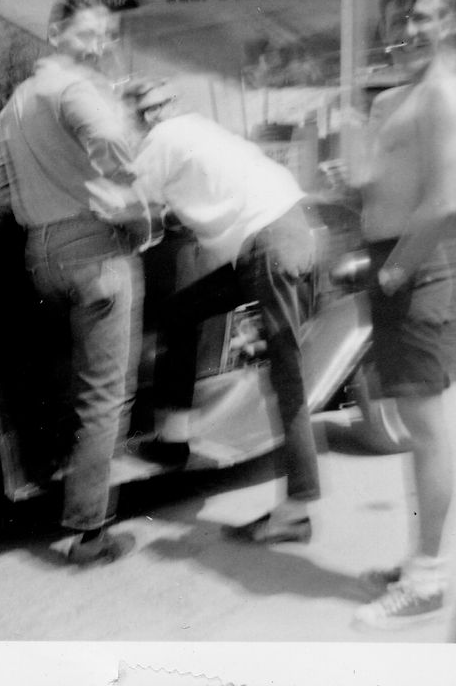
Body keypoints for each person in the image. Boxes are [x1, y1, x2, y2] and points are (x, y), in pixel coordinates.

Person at [0, 0, 145, 566]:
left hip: (39, 257)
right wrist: (128, 189)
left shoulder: (17, 103)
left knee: (69, 381)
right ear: (55, 32)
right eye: (87, 34)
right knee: (105, 393)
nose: (97, 46)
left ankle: (53, 477)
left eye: (103, 36)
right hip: (96, 254)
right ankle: (90, 531)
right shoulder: (76, 88)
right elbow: (120, 148)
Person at [129, 79, 322, 544]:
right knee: (181, 313)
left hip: (268, 246)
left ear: (166, 109)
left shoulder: (163, 139)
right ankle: (174, 441)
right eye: (145, 110)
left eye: (155, 107)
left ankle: (296, 509)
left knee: (286, 379)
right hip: (282, 234)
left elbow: (127, 203)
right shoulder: (200, 130)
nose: (151, 115)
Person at [352, 0, 456, 628]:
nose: (418, 28)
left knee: (426, 433)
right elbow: (385, 182)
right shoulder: (412, 92)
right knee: (412, 425)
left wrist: (396, 271)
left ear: (453, 23)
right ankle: (417, 562)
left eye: (430, 17)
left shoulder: (446, 93)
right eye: (410, 19)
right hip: (394, 266)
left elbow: (442, 201)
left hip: (415, 268)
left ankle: (428, 581)